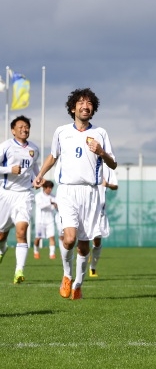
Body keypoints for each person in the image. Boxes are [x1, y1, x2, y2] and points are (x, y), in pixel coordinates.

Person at [34, 88, 117, 300]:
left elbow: (113, 164)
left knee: (83, 243)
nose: (85, 106)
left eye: (89, 103)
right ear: (73, 108)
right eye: (81, 102)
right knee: (69, 239)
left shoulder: (100, 133)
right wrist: (40, 175)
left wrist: (101, 152)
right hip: (68, 191)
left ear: (93, 108)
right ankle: (67, 275)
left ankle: (78, 284)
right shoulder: (62, 132)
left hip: (91, 193)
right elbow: (53, 157)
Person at [0, 115, 40, 284]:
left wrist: (38, 178)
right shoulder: (6, 146)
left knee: (22, 232)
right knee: (1, 236)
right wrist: (10, 169)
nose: (25, 129)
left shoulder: (34, 149)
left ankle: (19, 271)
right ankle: (2, 250)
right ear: (13, 130)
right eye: (21, 127)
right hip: (6, 194)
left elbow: (34, 168)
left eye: (27, 127)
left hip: (25, 195)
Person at [89, 164, 118, 278]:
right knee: (82, 240)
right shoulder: (85, 161)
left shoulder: (107, 167)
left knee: (97, 242)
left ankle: (93, 268)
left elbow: (115, 186)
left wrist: (108, 184)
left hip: (100, 211)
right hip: (85, 208)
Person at [33, 180, 58, 260]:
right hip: (40, 221)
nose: (50, 189)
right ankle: (36, 251)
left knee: (52, 237)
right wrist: (50, 203)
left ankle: (52, 254)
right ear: (44, 188)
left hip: (50, 220)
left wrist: (53, 205)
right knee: (38, 238)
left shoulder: (53, 196)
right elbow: (41, 206)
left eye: (51, 188)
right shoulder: (38, 196)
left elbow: (55, 206)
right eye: (48, 188)